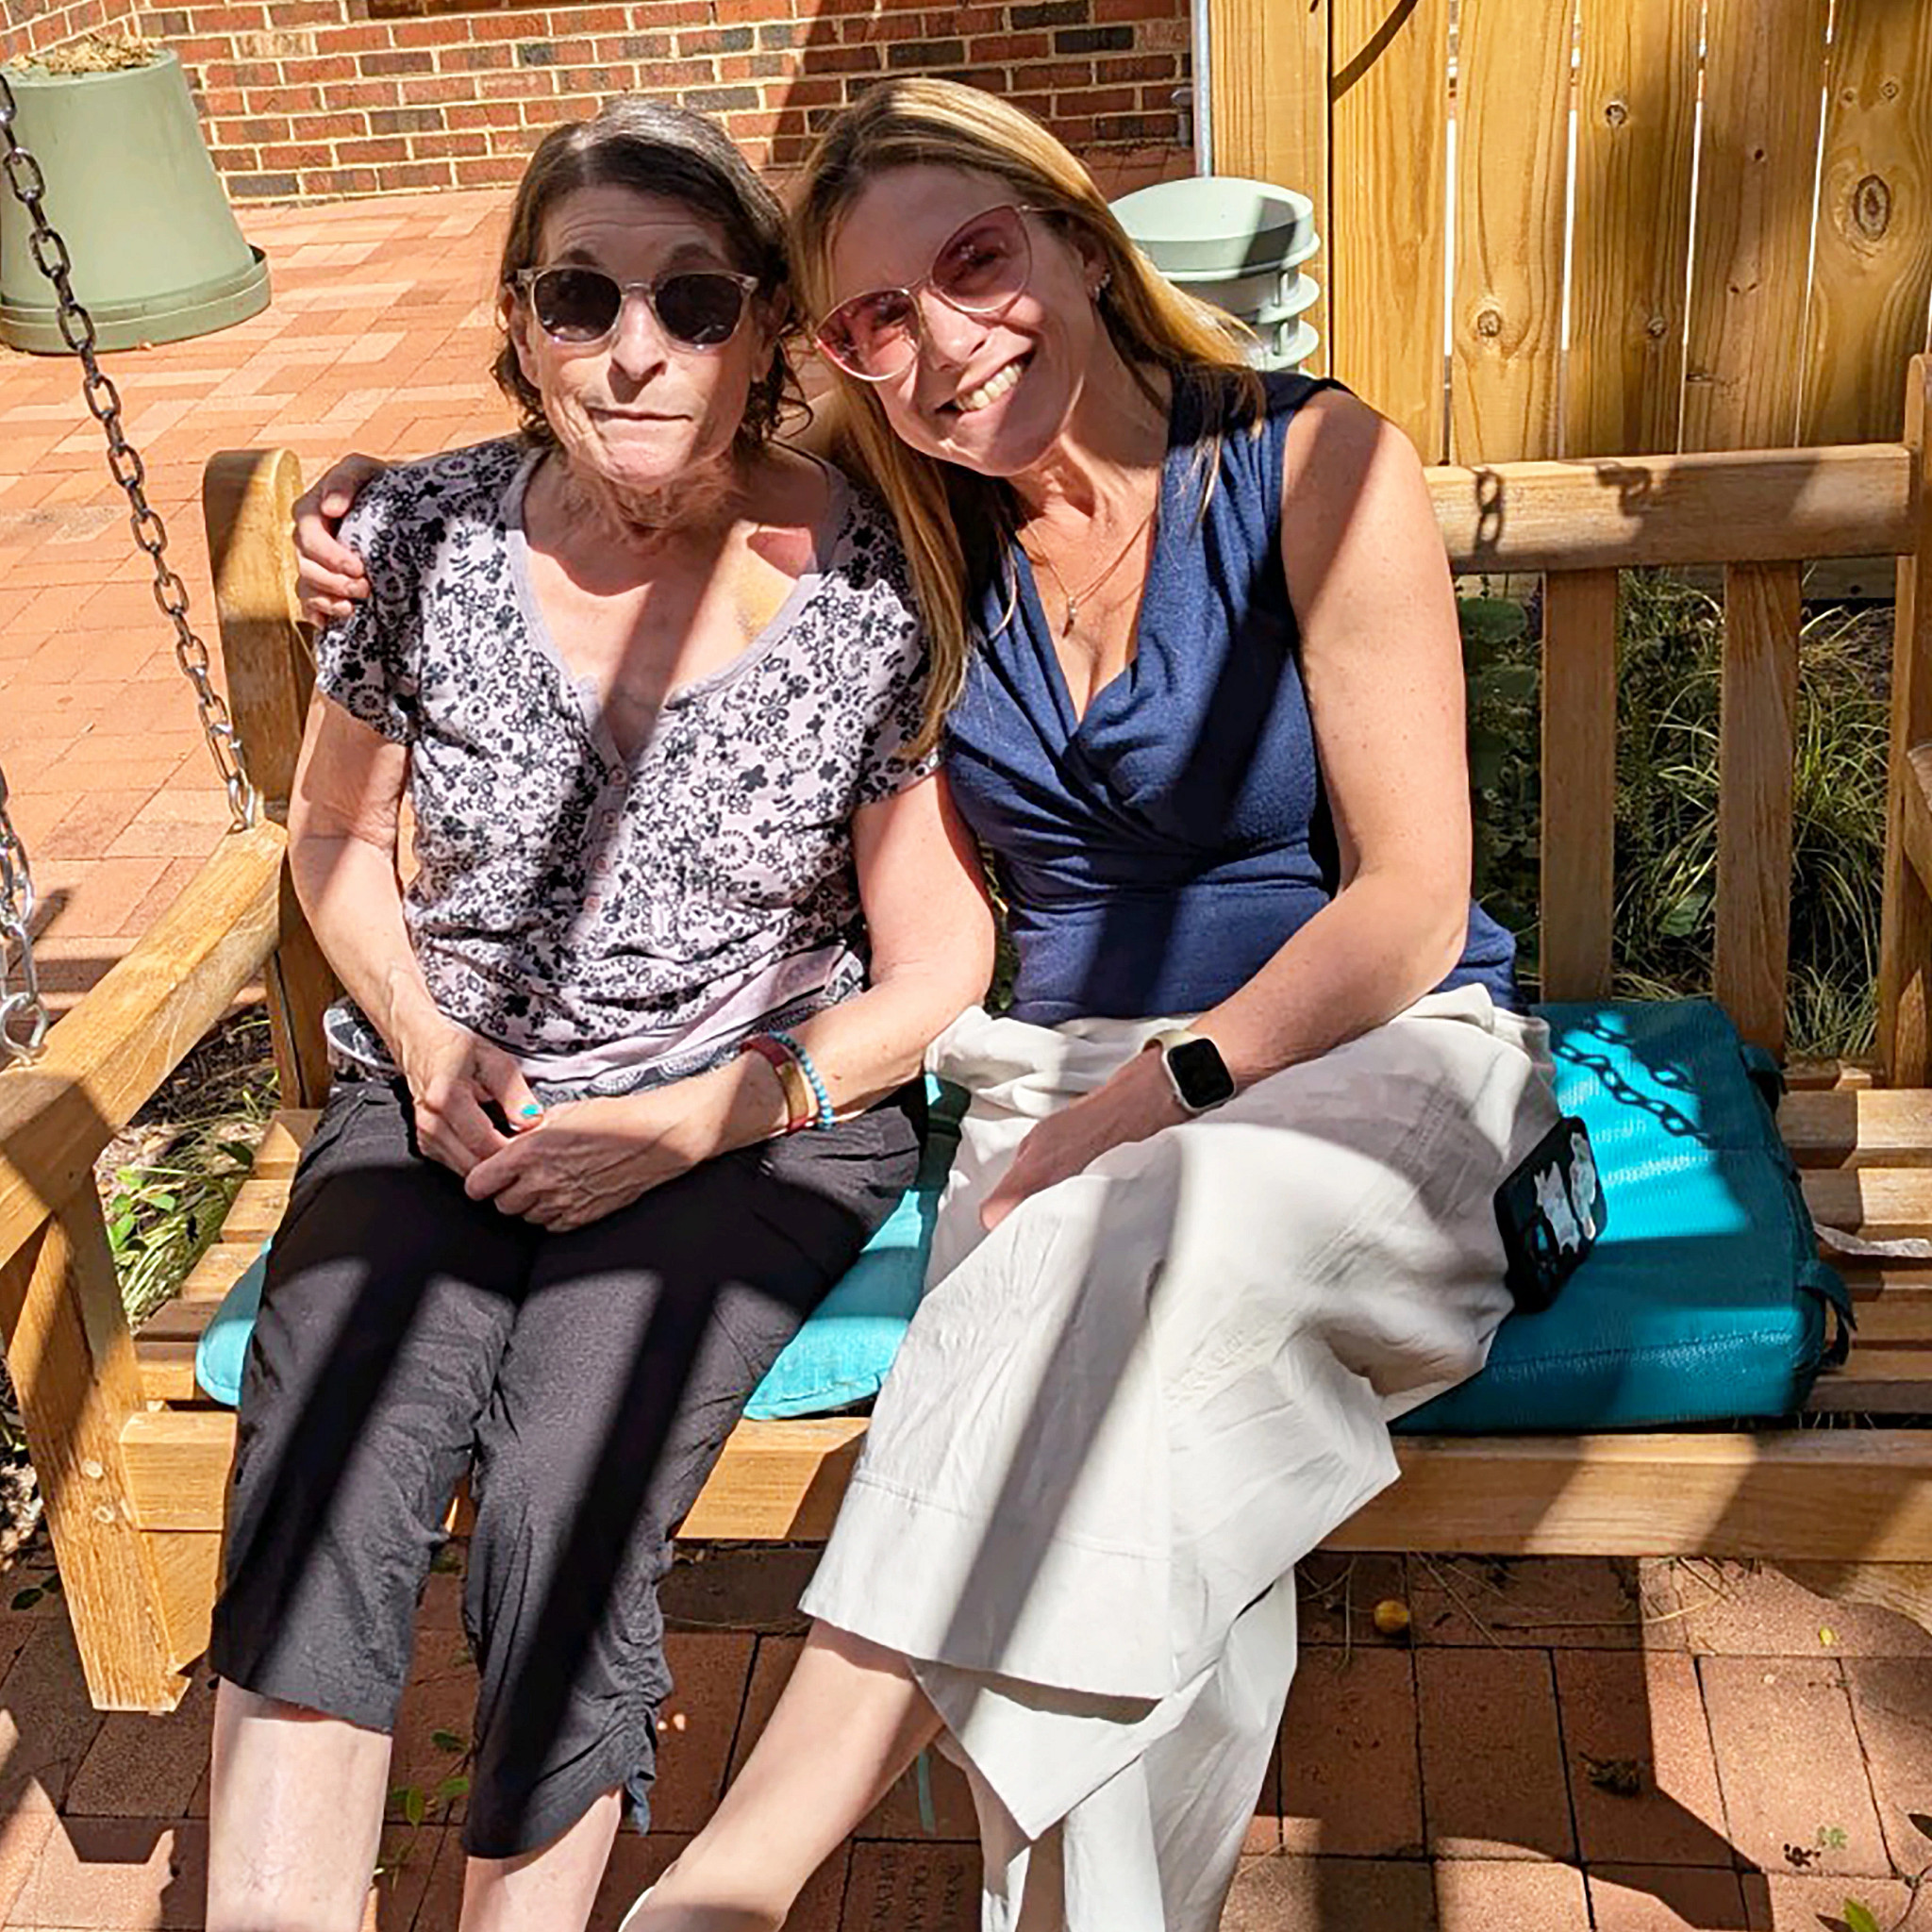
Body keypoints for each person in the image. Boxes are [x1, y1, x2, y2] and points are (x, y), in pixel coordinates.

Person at [298, 82, 1561, 1932]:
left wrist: (1160, 1091)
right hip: (1045, 1080)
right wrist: (362, 504)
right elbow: (628, 437)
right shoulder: (905, 529)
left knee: (1120, 1243)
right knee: (1129, 1485)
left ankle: (739, 1866)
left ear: (1077, 241)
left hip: (1372, 1061)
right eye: (877, 321)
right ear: (846, 362)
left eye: (978, 261)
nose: (948, 341)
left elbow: (1406, 904)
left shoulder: (1313, 465)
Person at [208, 96, 992, 1932]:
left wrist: (689, 1118)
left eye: (695, 300)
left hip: (752, 1106)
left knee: (574, 1465)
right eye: (583, 297)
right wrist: (410, 1033)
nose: (636, 347)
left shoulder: (875, 577)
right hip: (448, 1082)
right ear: (521, 323)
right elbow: (332, 833)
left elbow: (937, 968)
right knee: (336, 1444)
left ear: (767, 336)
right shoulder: (421, 540)